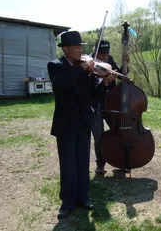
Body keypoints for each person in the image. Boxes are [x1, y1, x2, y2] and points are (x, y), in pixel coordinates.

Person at [47, 31, 117, 219]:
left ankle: (83, 197)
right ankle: (67, 202)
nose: (81, 50)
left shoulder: (87, 69)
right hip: (66, 123)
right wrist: (82, 69)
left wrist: (105, 83)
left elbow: (94, 94)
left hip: (84, 122)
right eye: (77, 47)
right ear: (67, 49)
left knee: (82, 162)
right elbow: (61, 86)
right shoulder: (55, 66)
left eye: (81, 47)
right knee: (68, 164)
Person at [90, 39, 129, 175]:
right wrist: (105, 82)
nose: (104, 57)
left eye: (106, 54)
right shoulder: (88, 63)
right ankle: (100, 164)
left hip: (111, 101)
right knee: (99, 134)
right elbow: (91, 91)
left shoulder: (110, 59)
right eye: (101, 54)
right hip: (96, 104)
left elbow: (121, 75)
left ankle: (121, 162)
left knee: (117, 130)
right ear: (95, 51)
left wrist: (126, 65)